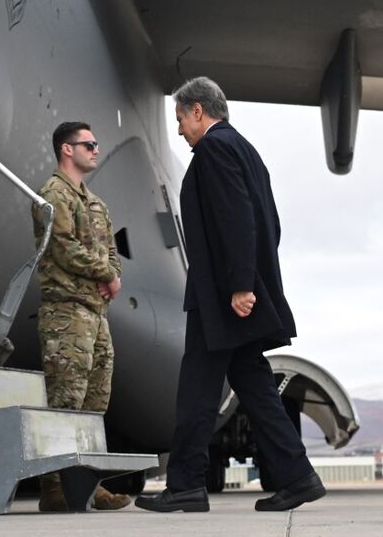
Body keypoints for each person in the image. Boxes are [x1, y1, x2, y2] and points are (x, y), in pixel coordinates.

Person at [135, 77, 326, 514]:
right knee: (254, 385)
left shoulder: (215, 149)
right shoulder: (246, 150)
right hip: (237, 292)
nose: (180, 130)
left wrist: (241, 285)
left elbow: (237, 219)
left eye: (181, 119)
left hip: (224, 298)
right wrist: (252, 279)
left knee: (197, 390)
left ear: (198, 111)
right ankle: (298, 476)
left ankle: (185, 485)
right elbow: (270, 225)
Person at [32, 122, 131, 512]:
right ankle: (54, 487)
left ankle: (87, 483)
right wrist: (105, 273)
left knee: (95, 400)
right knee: (65, 401)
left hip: (95, 311)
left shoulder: (95, 202)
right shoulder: (52, 194)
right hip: (66, 311)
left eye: (96, 143)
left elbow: (111, 248)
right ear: (66, 150)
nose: (95, 149)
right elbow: (62, 248)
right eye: (88, 144)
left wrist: (114, 273)